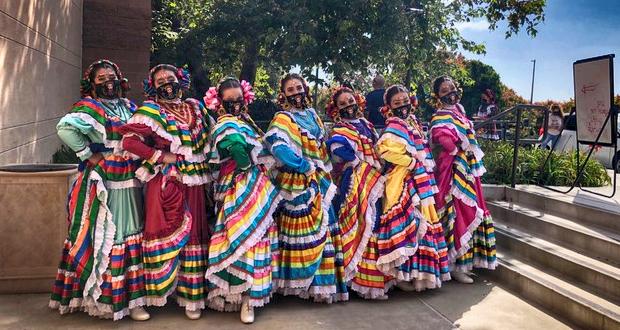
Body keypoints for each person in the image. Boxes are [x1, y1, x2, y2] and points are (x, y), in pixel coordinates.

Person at [50, 59, 150, 321]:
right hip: (105, 180)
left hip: (131, 178)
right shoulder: (89, 108)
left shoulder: (129, 107)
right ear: (91, 84)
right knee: (109, 233)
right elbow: (64, 129)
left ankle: (133, 300)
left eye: (112, 77)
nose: (108, 82)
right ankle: (104, 299)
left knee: (132, 232)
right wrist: (87, 155)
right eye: (101, 78)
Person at [120, 64, 212, 319]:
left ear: (180, 81)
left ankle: (191, 298)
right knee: (165, 228)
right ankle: (160, 292)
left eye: (170, 79)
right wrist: (161, 155)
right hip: (165, 181)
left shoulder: (195, 106)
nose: (166, 84)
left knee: (194, 232)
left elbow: (211, 135)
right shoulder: (150, 110)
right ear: (153, 87)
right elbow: (129, 141)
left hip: (195, 181)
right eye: (160, 81)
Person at [203, 78, 282, 324]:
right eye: (231, 101)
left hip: (252, 182)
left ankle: (248, 295)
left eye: (240, 100)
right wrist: (248, 166)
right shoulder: (226, 123)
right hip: (240, 184)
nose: (237, 104)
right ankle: (242, 295)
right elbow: (235, 146)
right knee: (243, 235)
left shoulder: (242, 121)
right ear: (220, 103)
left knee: (253, 236)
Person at [265, 73, 348, 303]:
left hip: (320, 179)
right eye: (290, 90)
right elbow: (276, 146)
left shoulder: (313, 116)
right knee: (303, 230)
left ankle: (320, 286)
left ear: (306, 89)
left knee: (325, 226)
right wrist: (302, 165)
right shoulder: (282, 118)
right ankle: (299, 285)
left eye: (298, 88)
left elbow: (323, 146)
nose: (296, 93)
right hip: (297, 181)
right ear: (283, 95)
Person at [374, 84, 451, 292]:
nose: (402, 106)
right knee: (409, 224)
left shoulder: (413, 123)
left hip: (421, 180)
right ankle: (403, 276)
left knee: (424, 224)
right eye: (397, 103)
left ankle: (421, 275)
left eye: (405, 101)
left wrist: (419, 165)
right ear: (389, 107)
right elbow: (384, 151)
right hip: (402, 180)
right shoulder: (393, 126)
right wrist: (411, 163)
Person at [429, 76, 497, 284]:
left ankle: (466, 261)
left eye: (451, 88)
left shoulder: (460, 112)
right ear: (438, 96)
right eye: (444, 90)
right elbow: (442, 137)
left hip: (467, 168)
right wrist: (457, 146)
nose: (449, 92)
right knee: (457, 211)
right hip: (453, 170)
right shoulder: (440, 115)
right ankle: (456, 263)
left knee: (470, 208)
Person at [325, 87, 387, 298]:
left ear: (357, 101)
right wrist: (355, 161)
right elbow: (336, 150)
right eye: (343, 104)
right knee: (357, 221)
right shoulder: (339, 129)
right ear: (336, 109)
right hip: (354, 182)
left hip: (374, 180)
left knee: (375, 221)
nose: (348, 106)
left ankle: (372, 279)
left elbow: (378, 147)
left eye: (350, 101)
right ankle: (352, 278)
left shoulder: (367, 125)